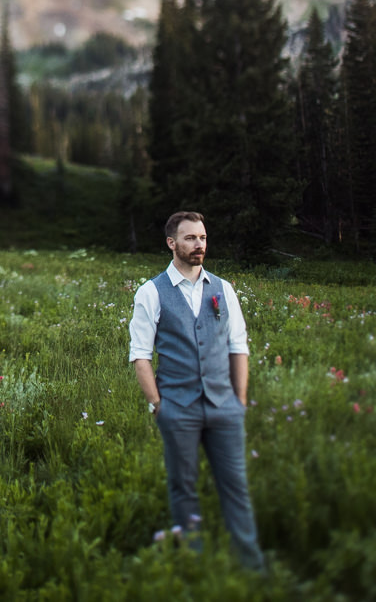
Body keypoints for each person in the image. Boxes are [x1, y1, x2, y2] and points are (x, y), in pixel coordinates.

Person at [128, 211, 265, 570]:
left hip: (225, 408)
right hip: (178, 409)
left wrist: (240, 401)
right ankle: (194, 567)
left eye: (202, 237)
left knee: (237, 488)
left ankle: (252, 568)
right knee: (183, 489)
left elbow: (239, 346)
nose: (198, 244)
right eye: (190, 238)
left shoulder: (223, 288)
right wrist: (159, 406)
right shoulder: (151, 292)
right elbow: (140, 356)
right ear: (172, 243)